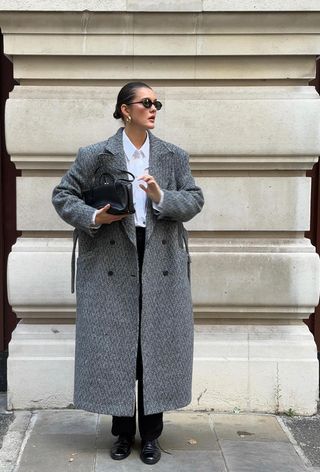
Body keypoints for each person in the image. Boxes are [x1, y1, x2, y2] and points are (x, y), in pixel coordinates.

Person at [52, 81, 204, 465]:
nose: (154, 109)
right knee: (118, 345)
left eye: (157, 103)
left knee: (152, 346)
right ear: (125, 109)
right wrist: (95, 216)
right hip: (109, 258)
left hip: (160, 261)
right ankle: (122, 434)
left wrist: (160, 197)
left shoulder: (172, 156)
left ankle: (151, 436)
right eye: (146, 102)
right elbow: (63, 195)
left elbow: (195, 198)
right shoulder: (96, 155)